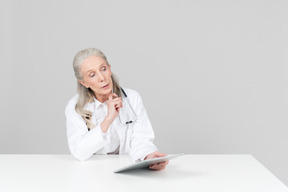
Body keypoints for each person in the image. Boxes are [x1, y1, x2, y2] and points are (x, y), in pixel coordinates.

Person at [65, 48, 168, 171]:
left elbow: (141, 139)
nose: (102, 77)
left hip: (126, 170)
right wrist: (108, 119)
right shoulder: (75, 106)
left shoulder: (132, 98)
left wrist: (149, 156)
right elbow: (79, 151)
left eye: (103, 69)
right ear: (84, 83)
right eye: (92, 75)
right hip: (92, 172)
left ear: (109, 68)